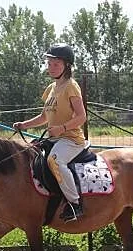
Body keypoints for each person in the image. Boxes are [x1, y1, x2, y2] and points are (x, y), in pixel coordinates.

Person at [13, 43, 88, 223]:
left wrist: (62, 128)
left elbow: (81, 116)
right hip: (54, 139)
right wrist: (24, 125)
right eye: (49, 64)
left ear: (66, 66)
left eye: (56, 64)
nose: (51, 68)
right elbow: (43, 117)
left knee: (54, 160)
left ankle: (75, 204)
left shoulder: (71, 86)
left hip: (71, 140)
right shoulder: (51, 88)